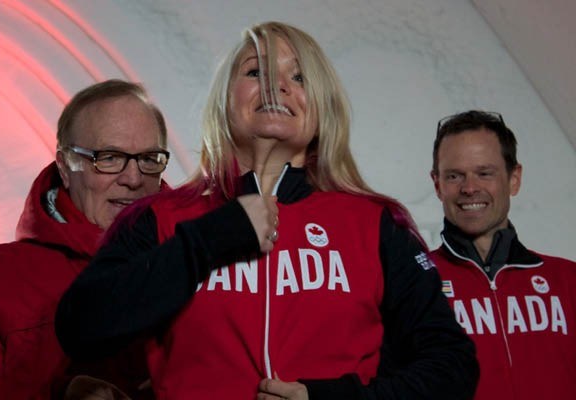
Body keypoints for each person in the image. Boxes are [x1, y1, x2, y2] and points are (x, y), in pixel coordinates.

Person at [56, 22, 478, 399]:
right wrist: (208, 241)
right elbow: (80, 327)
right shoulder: (159, 219)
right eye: (256, 72)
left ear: (321, 106)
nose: (277, 88)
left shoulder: (375, 223)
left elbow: (452, 366)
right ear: (224, 100)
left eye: (298, 77)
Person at [0, 79, 170, 399]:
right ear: (64, 165)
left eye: (148, 159)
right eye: (109, 158)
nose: (133, 179)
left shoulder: (216, 269)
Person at [429, 110, 576, 399]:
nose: (470, 188)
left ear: (514, 179)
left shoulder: (569, 281)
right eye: (454, 175)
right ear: (437, 185)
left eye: (485, 173)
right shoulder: (415, 285)